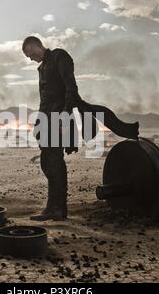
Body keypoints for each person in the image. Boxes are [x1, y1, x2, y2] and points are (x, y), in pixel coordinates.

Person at [22, 36, 139, 221]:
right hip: (46, 117)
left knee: (54, 162)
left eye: (29, 54)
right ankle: (54, 207)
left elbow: (71, 88)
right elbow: (45, 98)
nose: (30, 58)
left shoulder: (60, 57)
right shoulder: (42, 67)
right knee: (48, 162)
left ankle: (57, 209)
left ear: (35, 45)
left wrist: (64, 117)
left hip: (58, 117)